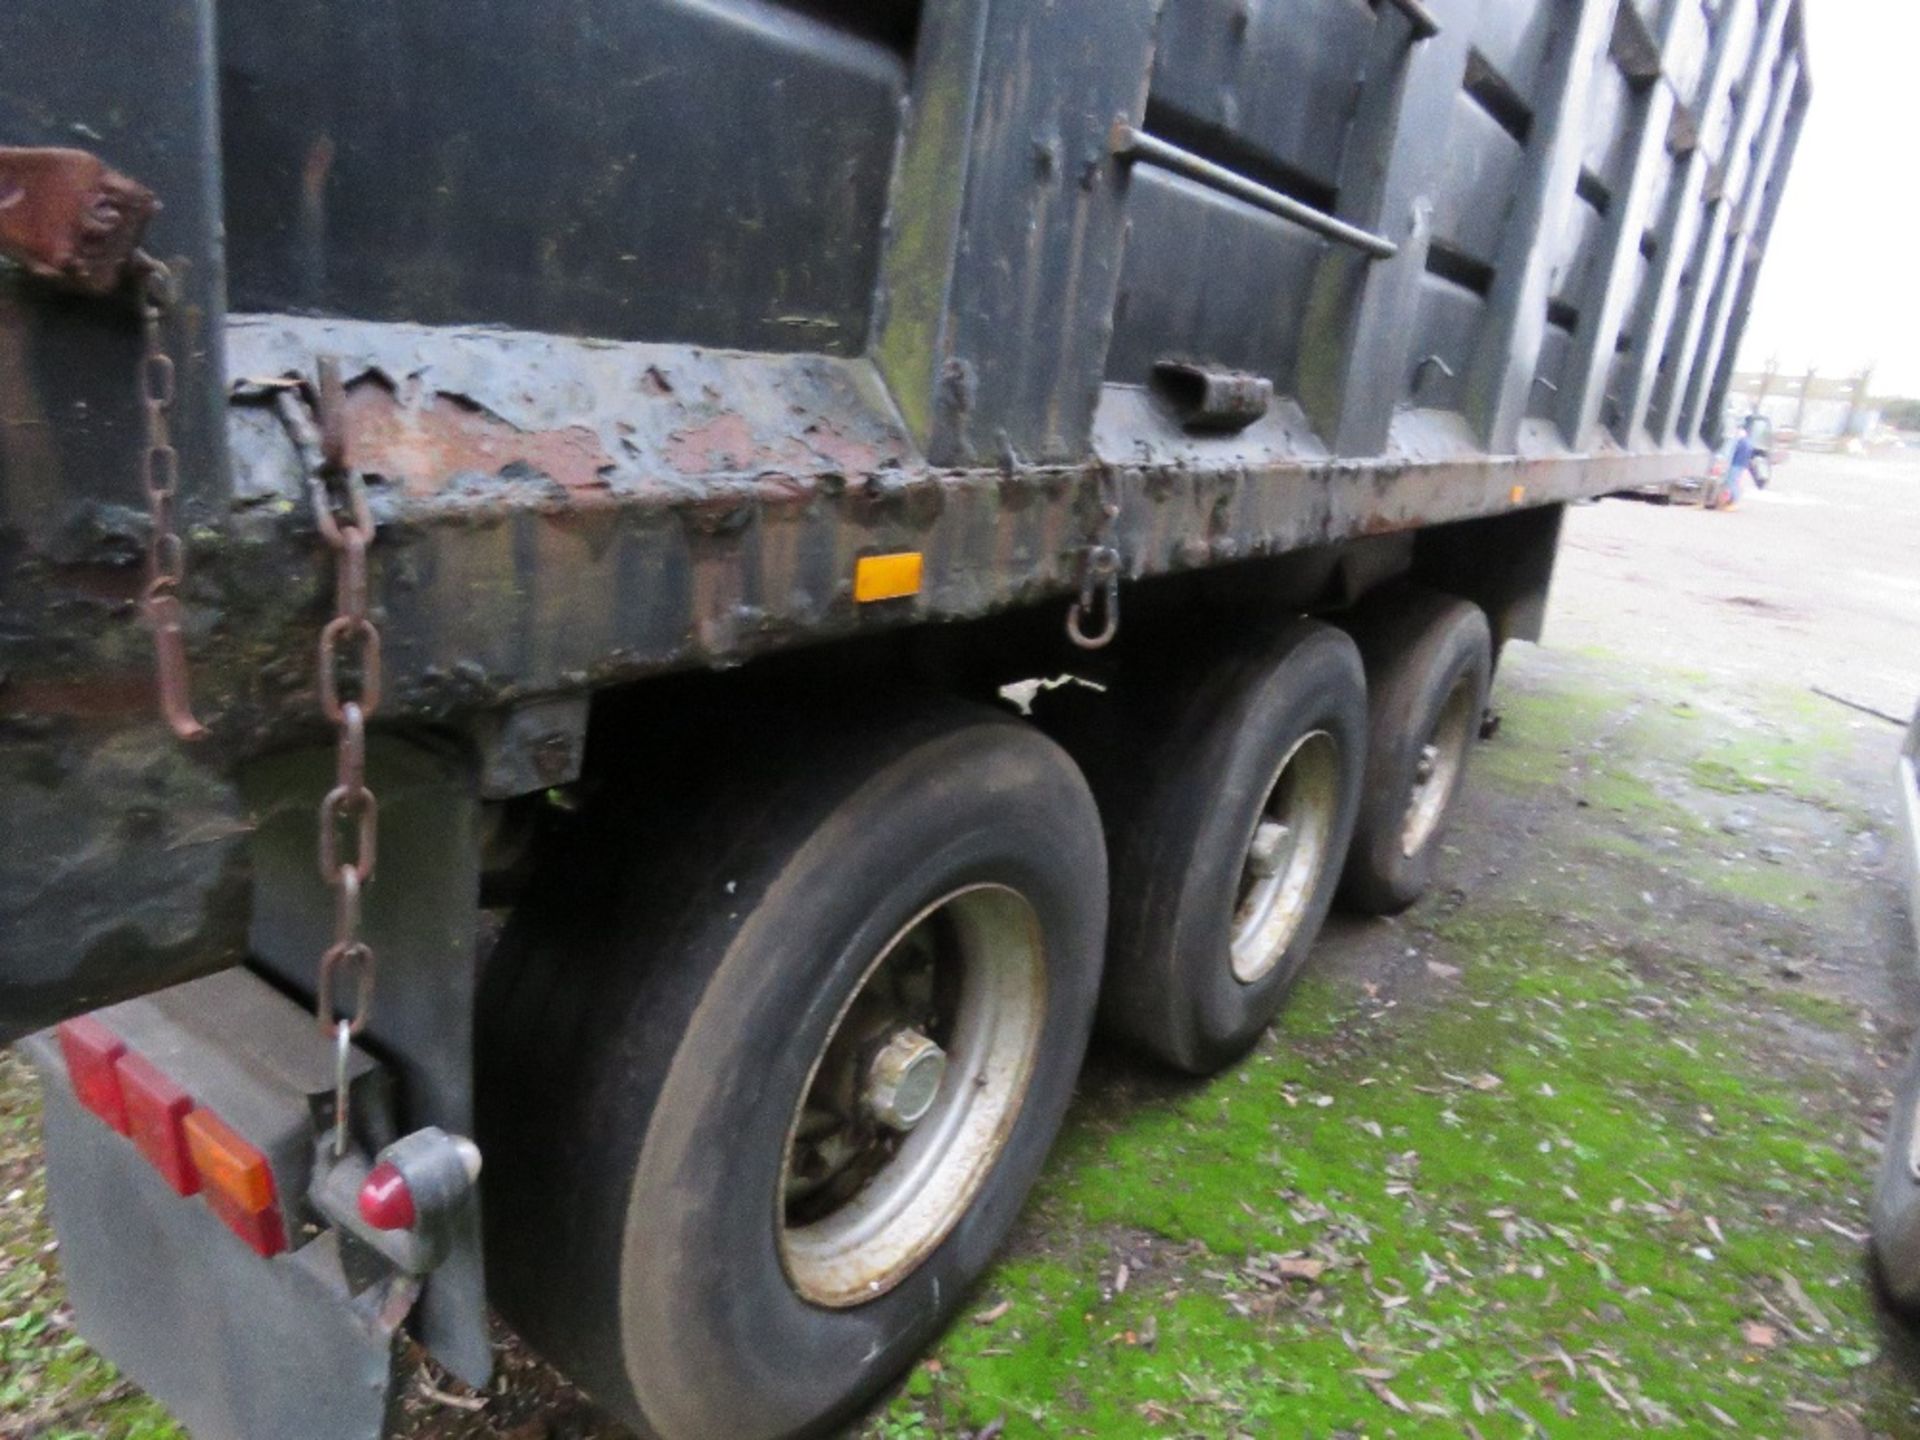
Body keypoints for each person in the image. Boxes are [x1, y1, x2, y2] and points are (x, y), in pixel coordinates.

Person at [1714, 421, 1756, 511]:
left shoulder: (1740, 442)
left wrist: (1723, 461)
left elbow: (1729, 453)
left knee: (1731, 483)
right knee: (1733, 483)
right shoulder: (1748, 442)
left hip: (1735, 465)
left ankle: (1733, 502)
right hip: (1740, 465)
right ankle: (1729, 501)